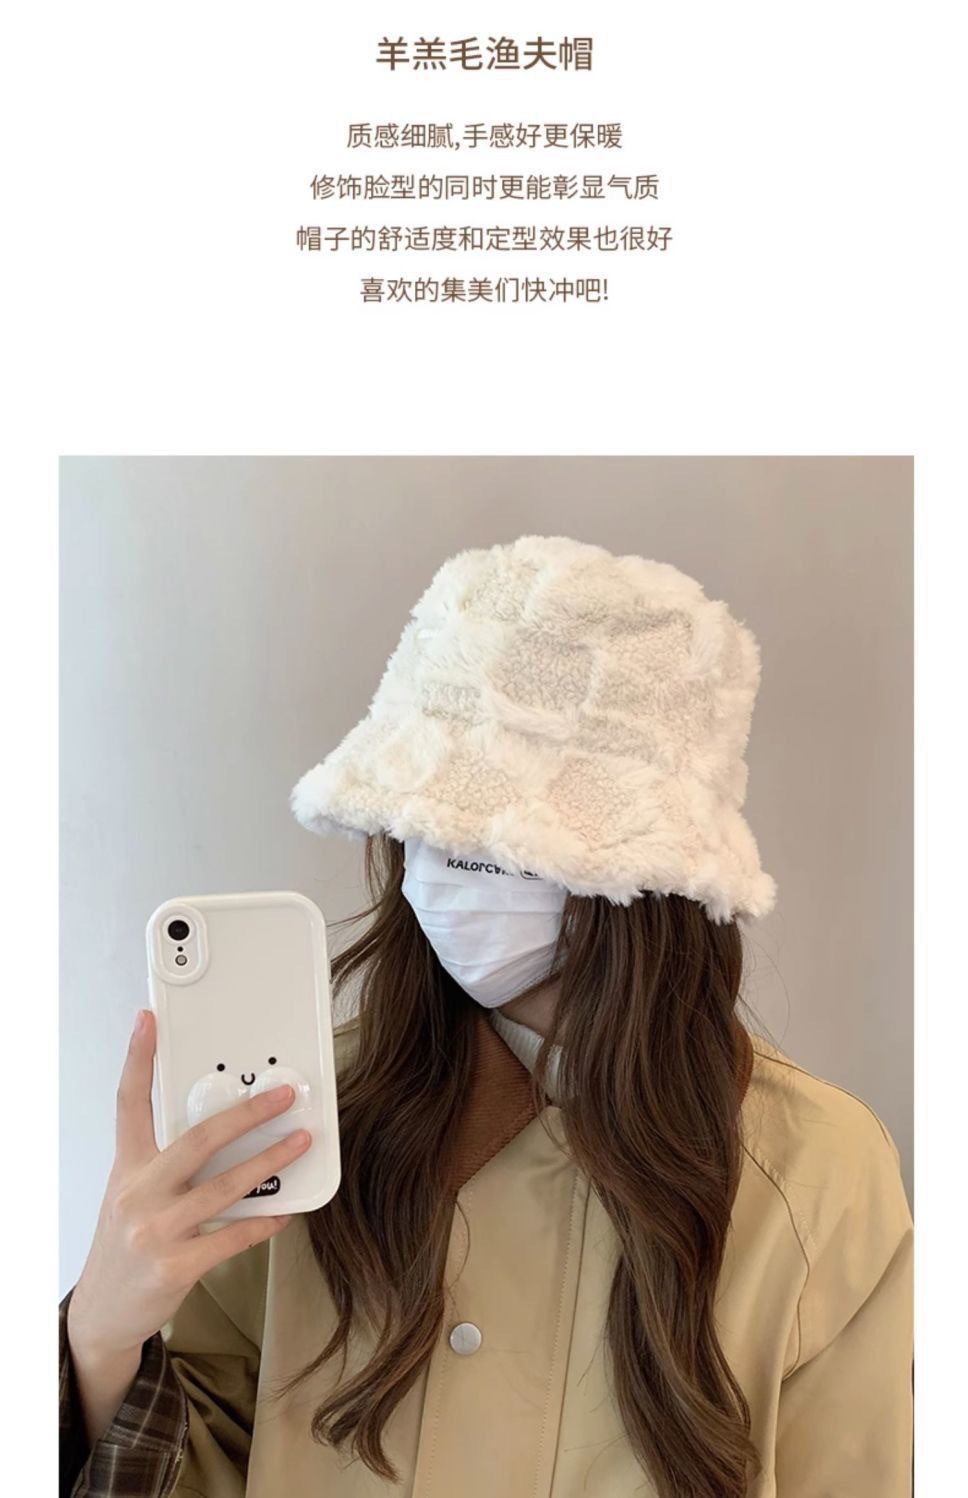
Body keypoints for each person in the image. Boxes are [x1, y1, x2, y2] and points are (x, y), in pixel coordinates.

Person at [60, 534, 914, 1498]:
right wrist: (100, 1340)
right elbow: (202, 1454)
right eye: (425, 826)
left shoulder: (817, 1170)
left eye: (495, 836)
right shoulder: (300, 1122)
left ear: (646, 866)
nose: (442, 872)